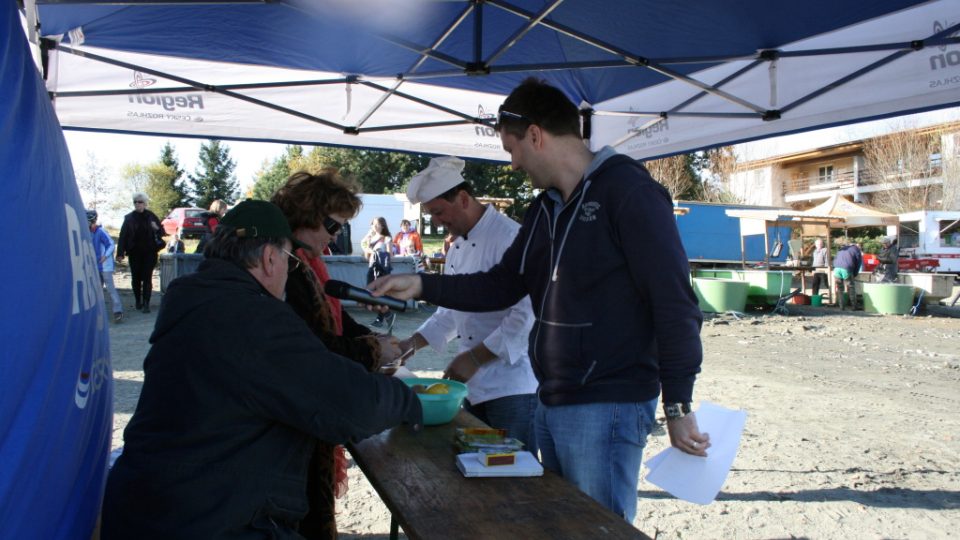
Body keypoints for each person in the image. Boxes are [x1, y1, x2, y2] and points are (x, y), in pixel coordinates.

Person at [369, 78, 709, 523]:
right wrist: (421, 285)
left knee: (598, 528)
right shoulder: (545, 207)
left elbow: (675, 303)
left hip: (607, 402)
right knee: (563, 523)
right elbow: (502, 284)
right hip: (554, 399)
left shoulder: (627, 191)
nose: (513, 164)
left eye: (512, 150)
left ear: (535, 134)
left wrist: (678, 404)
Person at [101, 200, 422, 539]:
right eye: (290, 259)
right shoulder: (251, 318)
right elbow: (350, 405)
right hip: (209, 520)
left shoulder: (198, 302)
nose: (291, 270)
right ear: (271, 258)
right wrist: (409, 400)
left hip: (156, 508)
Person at [271, 170, 405, 540]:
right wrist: (373, 350)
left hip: (312, 414)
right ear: (308, 213)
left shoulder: (308, 261)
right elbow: (313, 350)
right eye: (332, 225)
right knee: (305, 514)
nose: (334, 236)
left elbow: (335, 316)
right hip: (297, 421)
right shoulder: (287, 267)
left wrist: (373, 336)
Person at [397, 157, 539, 453]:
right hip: (472, 389)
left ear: (462, 198)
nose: (436, 222)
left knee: (514, 475)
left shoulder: (511, 236)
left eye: (438, 212)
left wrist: (475, 358)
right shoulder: (457, 246)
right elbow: (449, 312)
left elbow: (526, 315)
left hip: (512, 388)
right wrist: (408, 345)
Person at [116, 192, 164, 313]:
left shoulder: (151, 216)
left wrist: (156, 228)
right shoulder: (129, 218)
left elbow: (162, 232)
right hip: (134, 252)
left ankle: (146, 303)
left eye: (140, 202)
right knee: (136, 278)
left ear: (145, 203)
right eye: (135, 202)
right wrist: (120, 253)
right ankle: (138, 300)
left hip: (150, 252)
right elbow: (123, 236)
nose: (137, 204)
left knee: (147, 278)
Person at [87, 209, 123, 323]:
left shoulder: (100, 231)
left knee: (110, 289)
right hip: (95, 265)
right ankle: (98, 313)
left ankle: (118, 311)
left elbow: (111, 244)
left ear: (92, 221)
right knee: (97, 290)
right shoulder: (88, 233)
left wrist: (105, 256)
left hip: (105, 266)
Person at [361, 217, 394, 327]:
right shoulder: (371, 238)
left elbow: (390, 255)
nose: (374, 226)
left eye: (377, 224)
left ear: (383, 226)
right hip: (372, 267)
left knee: (378, 294)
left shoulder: (386, 238)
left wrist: (379, 254)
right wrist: (369, 236)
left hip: (381, 269)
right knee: (370, 293)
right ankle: (388, 315)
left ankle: (381, 319)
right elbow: (364, 246)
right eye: (373, 224)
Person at [833, 240, 863, 310]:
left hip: (836, 269)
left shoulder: (843, 248)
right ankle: (854, 306)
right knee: (851, 287)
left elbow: (835, 259)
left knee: (840, 289)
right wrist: (855, 273)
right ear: (856, 245)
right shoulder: (856, 249)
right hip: (846, 269)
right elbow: (859, 263)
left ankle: (841, 307)